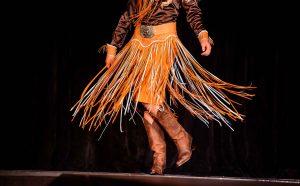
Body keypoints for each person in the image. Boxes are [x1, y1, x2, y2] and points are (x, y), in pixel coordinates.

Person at [71, 0, 255, 175]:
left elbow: (192, 10)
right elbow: (127, 15)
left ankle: (181, 138)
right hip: (138, 43)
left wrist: (202, 35)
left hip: (164, 42)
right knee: (147, 102)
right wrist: (113, 47)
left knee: (148, 99)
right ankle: (159, 159)